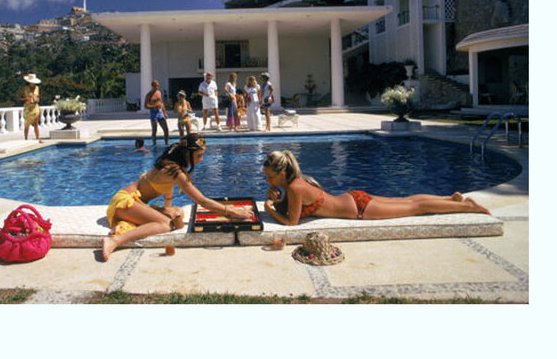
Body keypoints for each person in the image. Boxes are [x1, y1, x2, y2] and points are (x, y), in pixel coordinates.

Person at [102, 134, 253, 261]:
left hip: (130, 202)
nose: (202, 159)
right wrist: (230, 211)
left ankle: (125, 224)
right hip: (124, 203)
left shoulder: (169, 165)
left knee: (175, 213)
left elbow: (167, 191)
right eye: (200, 155)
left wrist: (168, 208)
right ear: (187, 154)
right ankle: (115, 240)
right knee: (165, 224)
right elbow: (202, 201)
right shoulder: (175, 171)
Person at [262, 150, 491, 226]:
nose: (268, 181)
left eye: (269, 177)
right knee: (409, 200)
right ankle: (450, 199)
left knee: (415, 207)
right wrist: (277, 198)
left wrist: (270, 208)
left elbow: (292, 222)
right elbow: (296, 210)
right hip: (355, 197)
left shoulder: (294, 188)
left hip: (360, 209)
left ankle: (469, 207)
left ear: (281, 173)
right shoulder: (297, 182)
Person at [144, 80, 169, 145]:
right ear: (152, 86)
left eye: (158, 86)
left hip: (160, 112)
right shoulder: (149, 95)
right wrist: (154, 106)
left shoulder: (159, 92)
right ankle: (154, 144)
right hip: (153, 112)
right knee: (154, 130)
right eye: (155, 86)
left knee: (166, 129)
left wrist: (165, 112)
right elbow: (146, 106)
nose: (157, 87)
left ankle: (166, 143)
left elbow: (161, 103)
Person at [21, 73, 43, 143]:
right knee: (27, 124)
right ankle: (26, 138)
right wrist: (26, 99)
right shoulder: (24, 88)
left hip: (35, 106)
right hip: (28, 107)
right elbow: (20, 97)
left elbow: (37, 96)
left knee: (36, 123)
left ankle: (38, 138)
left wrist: (37, 99)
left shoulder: (37, 88)